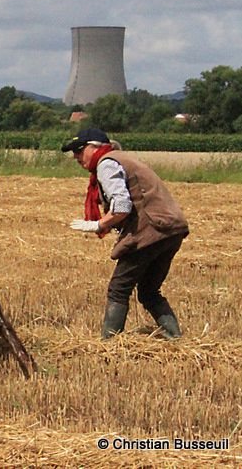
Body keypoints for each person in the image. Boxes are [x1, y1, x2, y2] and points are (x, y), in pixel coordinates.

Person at [62, 128, 189, 339]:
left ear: (95, 147)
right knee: (149, 291)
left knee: (119, 289)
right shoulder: (122, 158)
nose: (75, 156)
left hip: (151, 231)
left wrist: (98, 224)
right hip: (171, 230)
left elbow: (121, 206)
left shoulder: (106, 163)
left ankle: (110, 344)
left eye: (79, 150)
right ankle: (175, 338)